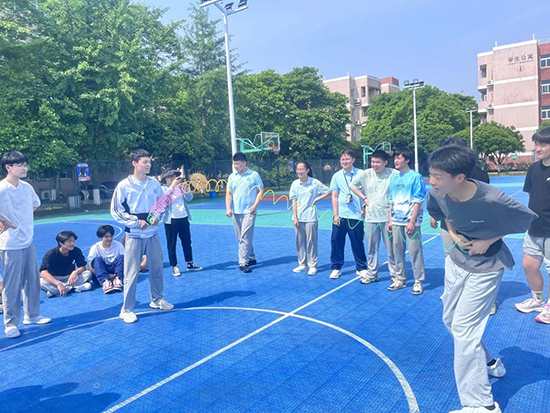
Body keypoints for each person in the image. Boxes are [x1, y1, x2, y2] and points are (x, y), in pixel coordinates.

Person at [426, 145, 536, 413]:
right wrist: (454, 236)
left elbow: (525, 220)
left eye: (438, 176)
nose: (432, 181)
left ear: (460, 178)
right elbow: (441, 214)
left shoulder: (492, 198)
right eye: (431, 174)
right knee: (450, 321)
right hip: (457, 261)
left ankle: (482, 405)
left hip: (487, 266)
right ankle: (490, 364)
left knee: (464, 330)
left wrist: (488, 240)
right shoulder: (437, 192)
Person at [111, 149, 173, 324]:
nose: (148, 165)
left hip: (152, 234)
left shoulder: (154, 184)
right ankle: (127, 310)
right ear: (134, 163)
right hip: (134, 236)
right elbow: (116, 211)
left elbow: (162, 204)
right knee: (131, 273)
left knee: (157, 268)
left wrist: (157, 218)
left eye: (149, 162)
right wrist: (136, 222)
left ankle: (157, 299)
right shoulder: (124, 186)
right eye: (144, 162)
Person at [0, 151, 51, 338]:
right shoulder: (2, 189)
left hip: (28, 240)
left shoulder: (27, 187)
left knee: (32, 279)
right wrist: (4, 221)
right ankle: (11, 323)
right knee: (12, 284)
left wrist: (22, 216)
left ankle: (32, 315)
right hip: (10, 243)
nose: (24, 168)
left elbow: (35, 204)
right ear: (8, 167)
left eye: (25, 165)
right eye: (20, 165)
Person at [515, 127, 550, 324]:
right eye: (536, 144)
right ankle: (538, 300)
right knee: (529, 265)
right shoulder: (533, 169)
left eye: (543, 144)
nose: (537, 148)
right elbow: (533, 196)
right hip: (534, 227)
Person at [349, 150, 398, 285]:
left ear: (385, 162)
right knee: (372, 248)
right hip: (371, 217)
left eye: (378, 162)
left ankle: (395, 274)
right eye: (373, 161)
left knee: (391, 248)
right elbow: (352, 186)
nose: (374, 164)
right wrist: (364, 198)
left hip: (388, 217)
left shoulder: (393, 174)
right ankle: (372, 274)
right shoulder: (366, 174)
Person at [387, 147, 426, 294]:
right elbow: (391, 200)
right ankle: (400, 278)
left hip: (411, 221)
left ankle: (418, 281)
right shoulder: (394, 178)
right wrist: (390, 220)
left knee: (415, 251)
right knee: (397, 250)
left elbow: (418, 200)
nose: (396, 160)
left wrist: (412, 221)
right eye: (395, 157)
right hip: (396, 220)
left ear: (407, 160)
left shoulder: (416, 177)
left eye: (399, 158)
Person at [328, 149, 368, 280]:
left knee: (357, 242)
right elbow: (334, 196)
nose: (345, 161)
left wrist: (364, 207)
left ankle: (361, 267)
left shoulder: (361, 174)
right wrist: (336, 214)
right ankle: (336, 267)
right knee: (336, 241)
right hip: (341, 215)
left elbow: (367, 192)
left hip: (356, 215)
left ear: (353, 160)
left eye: (347, 159)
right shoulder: (336, 176)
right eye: (342, 159)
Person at [289, 161, 331, 276]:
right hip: (299, 217)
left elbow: (328, 191)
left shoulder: (314, 182)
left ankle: (312, 265)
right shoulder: (295, 184)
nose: (299, 171)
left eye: (302, 169)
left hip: (311, 217)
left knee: (311, 241)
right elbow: (294, 201)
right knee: (300, 241)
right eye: (298, 169)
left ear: (307, 170)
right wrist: (295, 217)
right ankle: (302, 264)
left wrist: (317, 199)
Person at [225, 152, 264, 273]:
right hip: (237, 211)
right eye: (234, 164)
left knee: (245, 237)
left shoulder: (253, 175)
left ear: (244, 163)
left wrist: (255, 205)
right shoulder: (232, 177)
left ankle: (243, 262)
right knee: (240, 237)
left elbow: (261, 190)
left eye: (238, 164)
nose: (236, 166)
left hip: (249, 211)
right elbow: (229, 193)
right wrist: (228, 208)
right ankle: (251, 257)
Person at [160, 169, 202, 276]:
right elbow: (164, 201)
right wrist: (172, 187)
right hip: (170, 220)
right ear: (165, 179)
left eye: (174, 176)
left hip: (183, 217)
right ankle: (174, 266)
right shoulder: (163, 189)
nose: (173, 179)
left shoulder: (180, 187)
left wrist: (186, 190)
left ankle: (190, 262)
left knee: (187, 242)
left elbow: (189, 198)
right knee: (171, 244)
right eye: (170, 177)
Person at [39, 230, 93, 297]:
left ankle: (55, 291)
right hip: (55, 278)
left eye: (73, 241)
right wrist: (58, 283)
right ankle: (74, 289)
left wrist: (75, 272)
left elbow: (82, 267)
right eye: (69, 241)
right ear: (61, 243)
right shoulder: (50, 254)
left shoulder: (76, 251)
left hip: (70, 278)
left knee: (88, 274)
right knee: (40, 282)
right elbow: (43, 273)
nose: (72, 243)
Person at [88, 225, 124, 294]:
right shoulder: (95, 248)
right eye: (106, 237)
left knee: (122, 257)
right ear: (101, 238)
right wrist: (107, 275)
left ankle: (118, 279)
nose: (109, 239)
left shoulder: (118, 245)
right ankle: (105, 282)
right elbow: (90, 266)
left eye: (111, 236)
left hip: (115, 270)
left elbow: (125, 261)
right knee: (96, 260)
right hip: (102, 271)